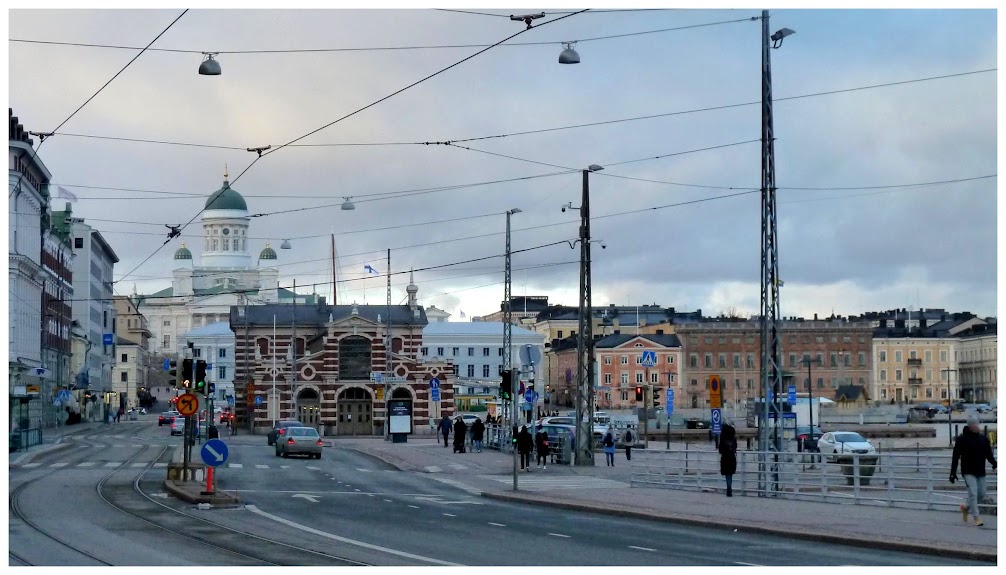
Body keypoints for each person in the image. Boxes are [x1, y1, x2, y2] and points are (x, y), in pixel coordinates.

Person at [951, 414, 997, 526]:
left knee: (981, 493)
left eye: (978, 423)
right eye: (976, 424)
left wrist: (995, 464)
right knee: (973, 492)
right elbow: (956, 456)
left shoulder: (983, 439)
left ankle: (966, 507)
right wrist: (953, 473)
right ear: (971, 426)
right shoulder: (961, 439)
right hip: (967, 471)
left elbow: (988, 454)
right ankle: (976, 517)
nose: (978, 426)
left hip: (980, 470)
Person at [719, 422, 738, 497]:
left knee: (727, 474)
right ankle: (729, 488)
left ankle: (728, 488)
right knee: (730, 474)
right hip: (732, 457)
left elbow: (720, 450)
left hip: (725, 457)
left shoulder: (723, 439)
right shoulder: (733, 439)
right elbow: (735, 447)